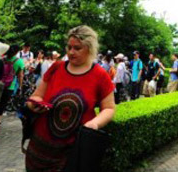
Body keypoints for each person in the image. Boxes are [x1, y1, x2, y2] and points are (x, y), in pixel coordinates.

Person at [25, 26, 115, 171]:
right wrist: (34, 105)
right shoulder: (57, 67)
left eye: (77, 48)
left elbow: (109, 108)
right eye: (69, 47)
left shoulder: (100, 75)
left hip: (70, 153)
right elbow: (36, 96)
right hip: (39, 148)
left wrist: (94, 124)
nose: (71, 52)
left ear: (90, 49)